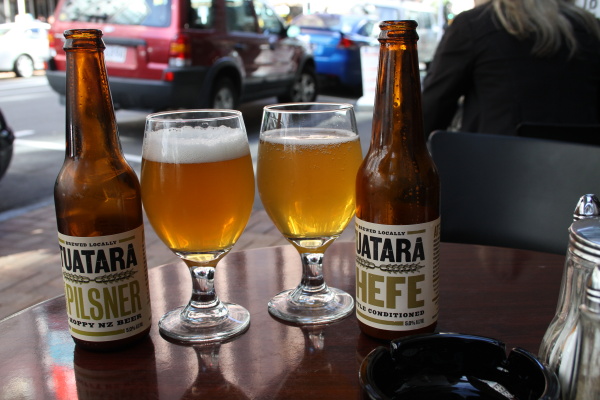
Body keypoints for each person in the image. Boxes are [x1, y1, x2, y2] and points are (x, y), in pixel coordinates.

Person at [422, 0, 600, 137]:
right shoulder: (591, 28)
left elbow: (430, 110)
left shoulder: (475, 25)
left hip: (494, 165)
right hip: (581, 166)